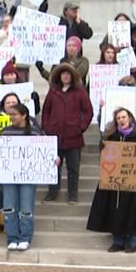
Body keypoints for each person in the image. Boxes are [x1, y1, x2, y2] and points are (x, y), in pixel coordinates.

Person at [87, 107, 136, 252]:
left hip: (132, 178)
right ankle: (118, 240)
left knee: (134, 209)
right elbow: (104, 152)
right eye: (119, 118)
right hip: (114, 179)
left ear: (130, 119)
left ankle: (133, 240)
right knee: (115, 209)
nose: (121, 120)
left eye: (124, 117)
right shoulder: (111, 135)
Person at [0, 101, 41, 252]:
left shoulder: (35, 132)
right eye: (10, 114)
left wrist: (53, 159)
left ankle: (25, 237)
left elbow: (42, 152)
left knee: (26, 207)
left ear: (24, 115)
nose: (11, 117)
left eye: (14, 114)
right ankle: (12, 237)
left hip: (28, 176)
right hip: (9, 176)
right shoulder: (5, 131)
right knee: (9, 207)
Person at [41, 61, 91, 205]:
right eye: (63, 74)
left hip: (73, 137)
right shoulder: (53, 91)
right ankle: (52, 193)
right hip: (54, 137)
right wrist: (47, 127)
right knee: (53, 168)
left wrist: (80, 127)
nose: (66, 76)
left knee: (73, 168)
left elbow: (88, 111)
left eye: (68, 74)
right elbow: (46, 111)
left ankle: (72, 195)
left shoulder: (80, 91)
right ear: (59, 75)